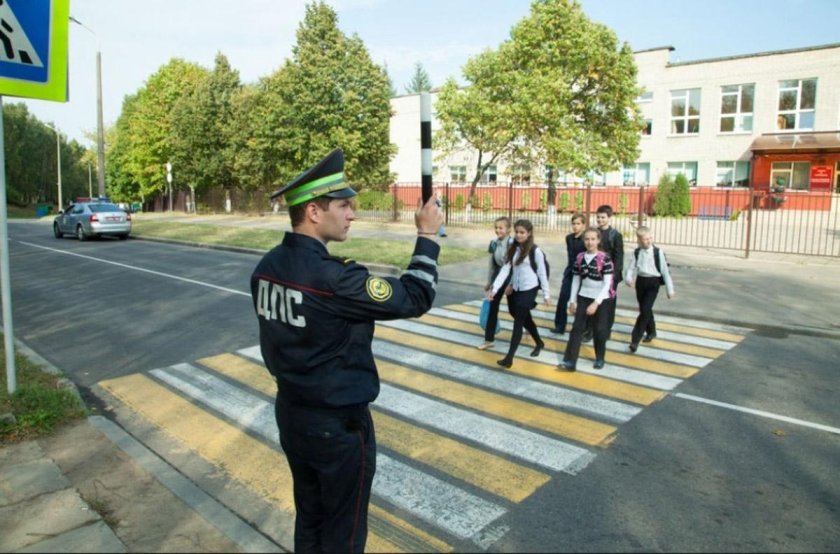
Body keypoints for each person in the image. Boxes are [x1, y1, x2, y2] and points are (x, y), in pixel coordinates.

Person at [250, 148, 442, 553]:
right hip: (337, 426)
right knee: (343, 534)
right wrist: (426, 236)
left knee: (311, 519)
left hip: (292, 413)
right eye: (343, 205)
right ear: (315, 213)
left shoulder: (266, 266)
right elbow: (416, 296)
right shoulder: (334, 279)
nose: (352, 213)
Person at [486, 219, 550, 368]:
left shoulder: (535, 251)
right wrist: (495, 289)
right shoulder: (514, 248)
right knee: (519, 315)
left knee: (518, 322)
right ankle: (539, 342)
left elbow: (542, 273)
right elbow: (506, 269)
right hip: (515, 288)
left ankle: (509, 358)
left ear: (529, 233)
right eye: (517, 232)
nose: (519, 235)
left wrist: (546, 294)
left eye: (522, 232)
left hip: (529, 289)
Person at [560, 226, 615, 371]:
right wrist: (572, 300)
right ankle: (570, 361)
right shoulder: (580, 257)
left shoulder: (605, 258)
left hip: (601, 299)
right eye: (587, 239)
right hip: (583, 296)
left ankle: (600, 358)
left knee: (600, 329)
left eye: (593, 239)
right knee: (576, 328)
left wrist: (596, 303)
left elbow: (607, 284)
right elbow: (576, 280)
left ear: (598, 240)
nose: (589, 242)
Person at [624, 226, 675, 352]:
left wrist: (670, 289)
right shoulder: (636, 252)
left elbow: (665, 271)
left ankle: (635, 340)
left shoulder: (658, 253)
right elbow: (631, 267)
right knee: (645, 309)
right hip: (641, 282)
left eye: (650, 238)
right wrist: (628, 278)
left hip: (653, 283)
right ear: (639, 241)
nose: (648, 241)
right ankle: (652, 331)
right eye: (645, 239)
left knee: (644, 310)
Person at [582, 204, 624, 342]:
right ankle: (589, 330)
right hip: (594, 274)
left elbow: (619, 257)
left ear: (609, 218)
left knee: (608, 305)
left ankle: (606, 330)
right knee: (591, 301)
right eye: (598, 217)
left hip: (609, 276)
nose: (600, 219)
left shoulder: (615, 235)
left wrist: (613, 276)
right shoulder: (593, 233)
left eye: (603, 217)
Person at [478, 216, 513, 350]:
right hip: (499, 274)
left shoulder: (512, 244)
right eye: (496, 227)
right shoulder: (493, 243)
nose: (498, 230)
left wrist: (511, 284)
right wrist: (489, 282)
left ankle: (526, 326)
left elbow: (514, 266)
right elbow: (491, 264)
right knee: (493, 305)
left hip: (511, 275)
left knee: (514, 308)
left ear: (509, 229)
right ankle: (489, 339)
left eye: (501, 228)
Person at [550, 213, 587, 335]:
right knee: (563, 298)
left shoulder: (586, 239)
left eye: (578, 224)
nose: (575, 226)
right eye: (574, 224)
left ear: (583, 225)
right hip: (570, 271)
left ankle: (581, 328)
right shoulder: (569, 238)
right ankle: (560, 326)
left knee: (581, 302)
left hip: (583, 274)